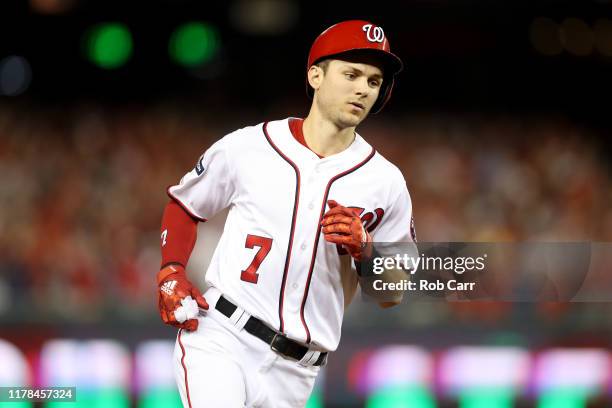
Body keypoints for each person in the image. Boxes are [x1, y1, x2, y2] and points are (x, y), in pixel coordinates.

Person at [157, 20, 416, 407]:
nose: (363, 88)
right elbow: (186, 204)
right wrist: (172, 268)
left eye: (374, 81)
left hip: (297, 373)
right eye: (351, 74)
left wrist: (367, 253)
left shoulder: (386, 181)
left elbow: (394, 293)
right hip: (224, 338)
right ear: (315, 75)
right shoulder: (249, 146)